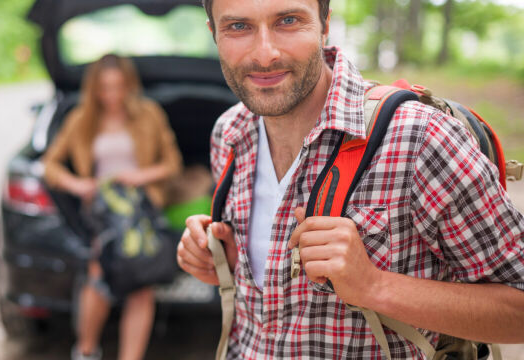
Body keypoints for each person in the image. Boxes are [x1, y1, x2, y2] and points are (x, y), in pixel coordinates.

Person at [176, 0, 524, 358]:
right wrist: (223, 263)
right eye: (238, 27)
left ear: (325, 24)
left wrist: (374, 285)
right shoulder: (230, 134)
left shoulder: (421, 138)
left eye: (288, 21)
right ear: (213, 34)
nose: (265, 54)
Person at [42, 54, 182, 360]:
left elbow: (172, 164)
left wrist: (139, 176)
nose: (113, 95)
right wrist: (78, 185)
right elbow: (50, 166)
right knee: (100, 273)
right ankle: (86, 350)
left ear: (130, 85)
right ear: (94, 89)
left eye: (119, 87)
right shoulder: (81, 118)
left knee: (141, 283)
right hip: (103, 211)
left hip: (142, 206)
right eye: (105, 88)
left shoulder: (148, 113)